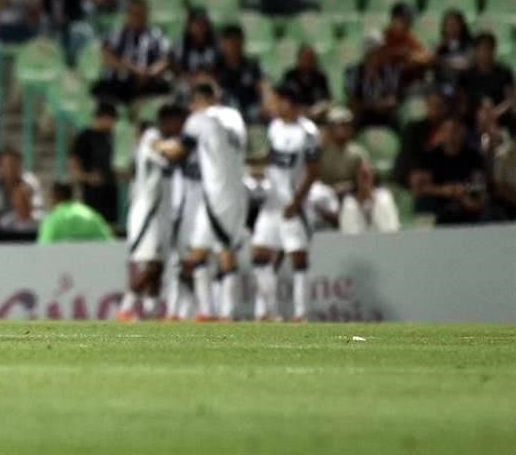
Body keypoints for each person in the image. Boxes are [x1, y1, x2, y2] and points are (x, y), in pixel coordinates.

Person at [154, 83, 248, 322]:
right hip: (236, 190)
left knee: (224, 251)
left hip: (218, 193)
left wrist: (158, 145)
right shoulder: (234, 116)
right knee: (197, 252)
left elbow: (178, 152)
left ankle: (228, 313)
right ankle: (206, 312)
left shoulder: (198, 119)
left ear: (195, 101)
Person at [251, 81, 321, 322]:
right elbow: (272, 159)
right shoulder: (275, 127)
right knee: (260, 254)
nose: (273, 105)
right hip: (272, 201)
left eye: (276, 100)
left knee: (297, 257)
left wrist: (297, 202)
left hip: (294, 203)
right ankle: (269, 312)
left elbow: (313, 172)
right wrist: (253, 164)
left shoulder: (308, 132)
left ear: (288, 103)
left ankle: (302, 313)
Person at [116, 104, 186, 322]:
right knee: (152, 264)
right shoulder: (151, 137)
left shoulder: (164, 139)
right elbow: (165, 148)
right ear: (167, 121)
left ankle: (151, 312)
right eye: (178, 122)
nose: (181, 127)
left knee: (159, 267)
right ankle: (125, 309)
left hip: (162, 213)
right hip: (148, 213)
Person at [410, 115, 489, 224]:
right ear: (441, 133)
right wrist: (444, 190)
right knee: (424, 202)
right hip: (438, 200)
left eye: (455, 131)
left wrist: (464, 189)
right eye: (447, 131)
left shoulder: (473, 156)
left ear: (462, 132)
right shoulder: (430, 157)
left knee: (479, 204)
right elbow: (420, 187)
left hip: (465, 197)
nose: (451, 135)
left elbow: (480, 183)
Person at [92, 0, 171, 104]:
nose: (137, 17)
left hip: (148, 82)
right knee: (100, 90)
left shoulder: (157, 35)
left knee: (165, 90)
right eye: (133, 13)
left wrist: (150, 72)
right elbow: (107, 57)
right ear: (127, 14)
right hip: (118, 82)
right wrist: (134, 70)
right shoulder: (115, 34)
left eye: (141, 14)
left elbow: (166, 59)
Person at [68, 101, 119, 223]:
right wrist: (89, 177)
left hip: (109, 191)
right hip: (91, 193)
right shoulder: (84, 137)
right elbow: (73, 164)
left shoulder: (109, 137)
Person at [0, 147, 44, 236]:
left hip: (26, 225)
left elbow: (37, 206)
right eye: (8, 165)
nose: (12, 169)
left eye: (15, 164)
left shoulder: (30, 181)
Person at [344, 34, 403, 129]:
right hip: (362, 112)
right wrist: (373, 105)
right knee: (353, 115)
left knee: (396, 118)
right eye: (380, 51)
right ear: (369, 54)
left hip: (385, 112)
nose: (384, 54)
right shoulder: (353, 72)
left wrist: (386, 103)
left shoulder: (390, 71)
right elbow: (352, 100)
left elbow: (393, 97)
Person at [213, 23, 264, 122]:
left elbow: (262, 87)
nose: (233, 46)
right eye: (230, 42)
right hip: (223, 110)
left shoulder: (252, 65)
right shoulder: (215, 66)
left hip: (250, 110)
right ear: (222, 43)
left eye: (237, 41)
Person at [460, 32, 515, 120]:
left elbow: (510, 99)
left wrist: (495, 113)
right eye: (481, 48)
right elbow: (463, 102)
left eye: (488, 48)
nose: (484, 52)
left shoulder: (504, 72)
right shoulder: (467, 75)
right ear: (476, 50)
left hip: (500, 116)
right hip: (474, 118)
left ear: (494, 50)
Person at [37, 182, 113, 244]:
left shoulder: (53, 219)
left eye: (50, 197)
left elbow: (43, 248)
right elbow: (109, 242)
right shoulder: (91, 215)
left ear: (54, 196)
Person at [319, 106, 370, 197]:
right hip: (324, 195)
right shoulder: (320, 151)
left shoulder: (358, 152)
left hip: (351, 195)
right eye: (338, 125)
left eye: (346, 124)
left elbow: (366, 179)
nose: (342, 129)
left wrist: (352, 185)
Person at [339, 164, 400, 233]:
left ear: (373, 177)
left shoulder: (385, 198)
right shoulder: (349, 203)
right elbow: (347, 231)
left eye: (367, 176)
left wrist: (373, 200)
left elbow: (391, 227)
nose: (365, 180)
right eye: (362, 176)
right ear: (356, 178)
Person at [171, 6, 216, 89]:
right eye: (196, 23)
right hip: (186, 84)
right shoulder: (180, 44)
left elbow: (216, 71)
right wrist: (193, 79)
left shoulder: (215, 44)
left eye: (203, 24)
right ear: (189, 25)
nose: (200, 28)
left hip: (208, 86)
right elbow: (177, 72)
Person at [279, 45, 330, 117]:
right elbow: (282, 99)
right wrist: (298, 109)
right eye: (305, 58)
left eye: (310, 58)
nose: (307, 61)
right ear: (298, 58)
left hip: (316, 113)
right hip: (294, 113)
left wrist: (315, 110)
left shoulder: (320, 77)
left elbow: (327, 100)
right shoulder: (290, 75)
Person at [432, 9, 473, 83]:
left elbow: (467, 65)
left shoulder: (469, 44)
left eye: (454, 25)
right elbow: (429, 60)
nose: (451, 29)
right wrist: (438, 48)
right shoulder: (440, 44)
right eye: (448, 25)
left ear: (461, 26)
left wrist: (443, 62)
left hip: (462, 84)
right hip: (440, 83)